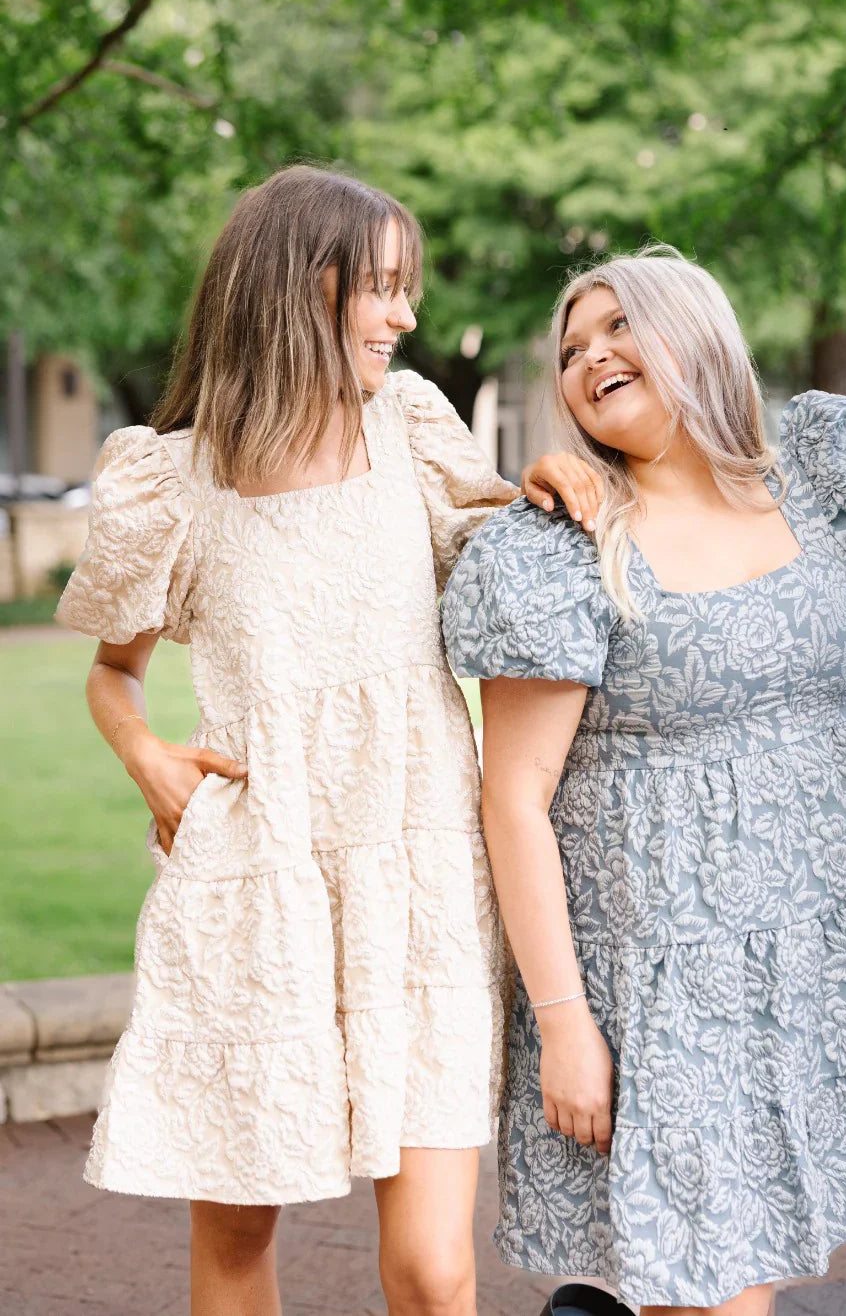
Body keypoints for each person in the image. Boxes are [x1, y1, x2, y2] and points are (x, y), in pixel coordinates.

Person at [54, 164, 604, 1316]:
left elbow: (508, 554)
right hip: (261, 884)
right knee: (243, 1242)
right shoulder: (174, 481)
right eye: (386, 289)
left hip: (422, 873)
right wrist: (145, 753)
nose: (406, 318)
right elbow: (114, 674)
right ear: (308, 284)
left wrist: (548, 479)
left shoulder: (408, 430)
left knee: (433, 1268)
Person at [441, 246, 846, 1316]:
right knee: (713, 1292)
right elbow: (512, 797)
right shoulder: (561, 545)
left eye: (617, 326)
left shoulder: (815, 474)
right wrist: (564, 1021)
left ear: (695, 334)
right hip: (661, 983)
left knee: (750, 1267)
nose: (589, 355)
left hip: (805, 950)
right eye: (570, 348)